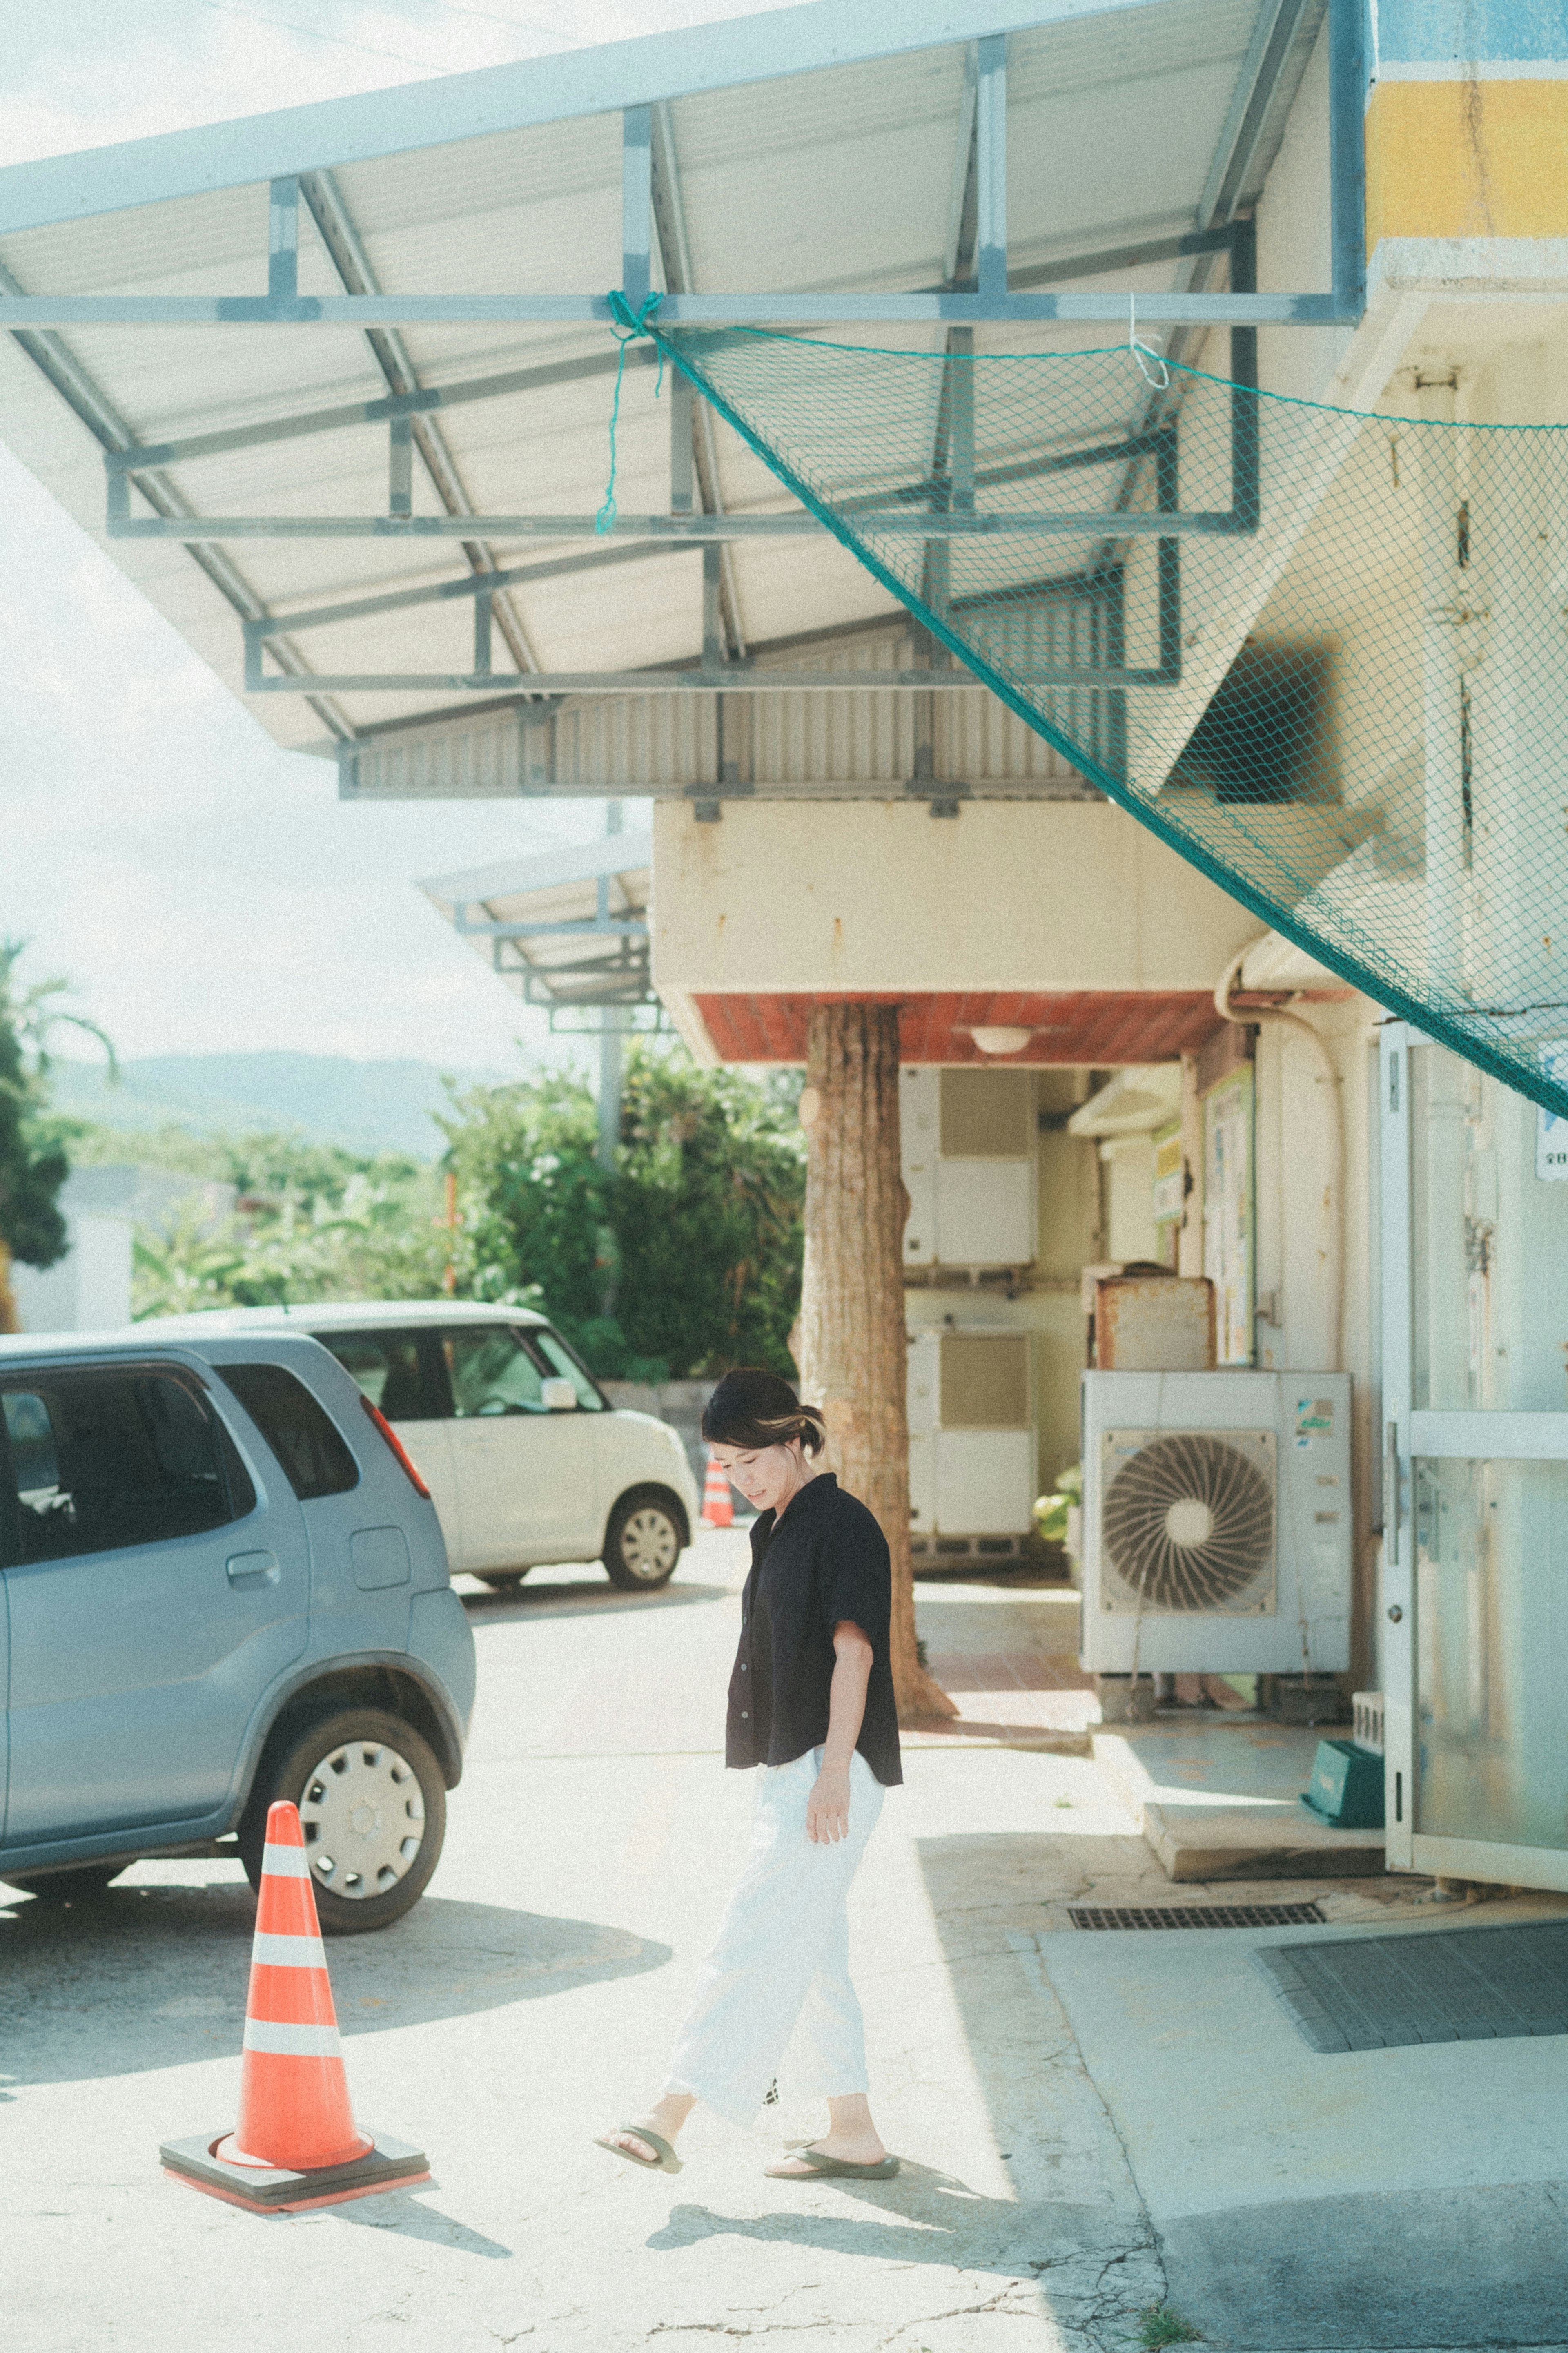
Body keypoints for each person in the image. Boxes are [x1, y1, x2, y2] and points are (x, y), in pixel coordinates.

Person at [595, 1365, 903, 2182]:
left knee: (752, 1934)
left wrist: (833, 1771)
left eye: (751, 1461)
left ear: (794, 1437)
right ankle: (854, 2131)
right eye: (727, 1466)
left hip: (829, 1769)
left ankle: (668, 2113)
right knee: (812, 1950)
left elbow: (854, 1652)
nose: (742, 1479)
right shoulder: (777, 1528)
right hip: (793, 1767)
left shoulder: (843, 1525)